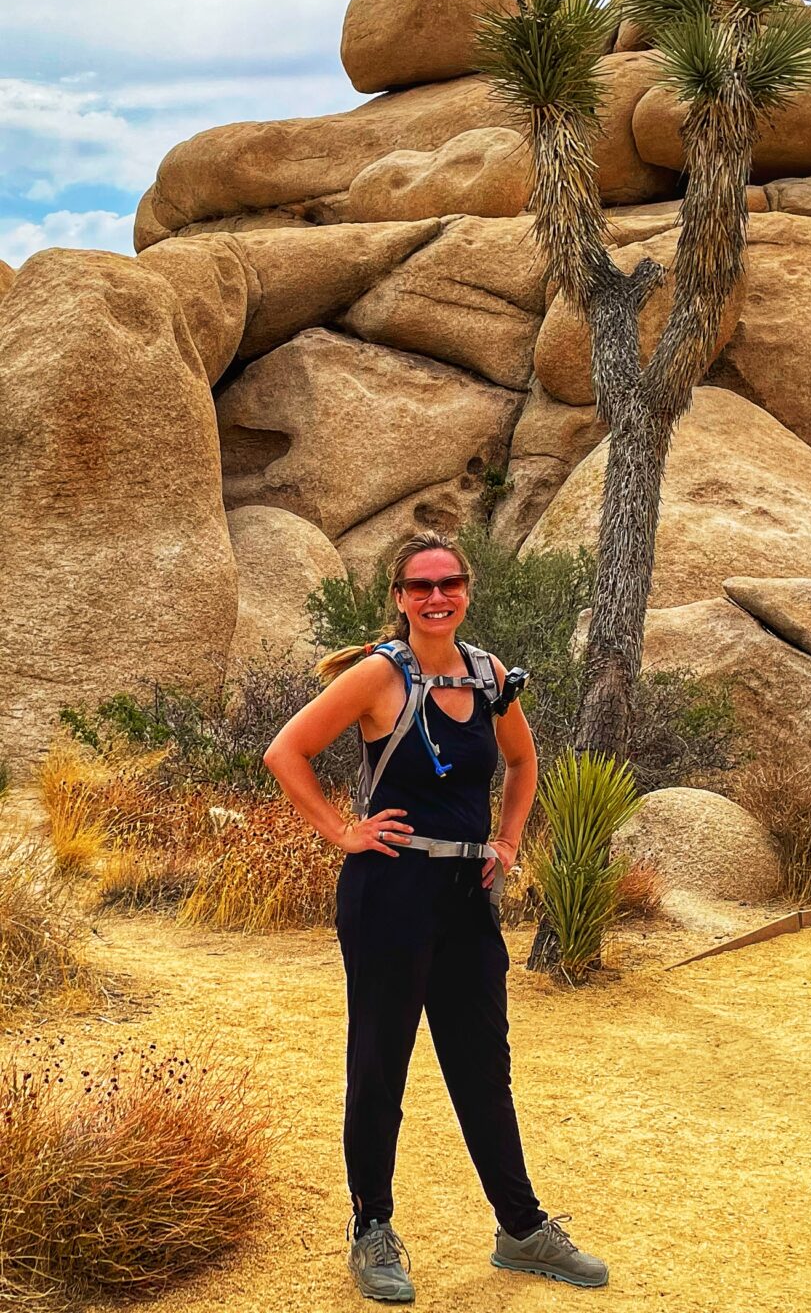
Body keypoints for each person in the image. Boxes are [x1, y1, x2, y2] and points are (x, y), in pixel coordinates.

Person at [264, 530, 607, 1302]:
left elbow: (522, 762)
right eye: (420, 586)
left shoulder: (489, 678)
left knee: (484, 1066)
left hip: (464, 896)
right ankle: (372, 1229)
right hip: (389, 891)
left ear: (467, 589)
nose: (436, 597)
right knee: (380, 1065)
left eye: (448, 582)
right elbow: (286, 752)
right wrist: (341, 830)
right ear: (399, 597)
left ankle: (521, 1230)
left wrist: (510, 840)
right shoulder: (378, 676)